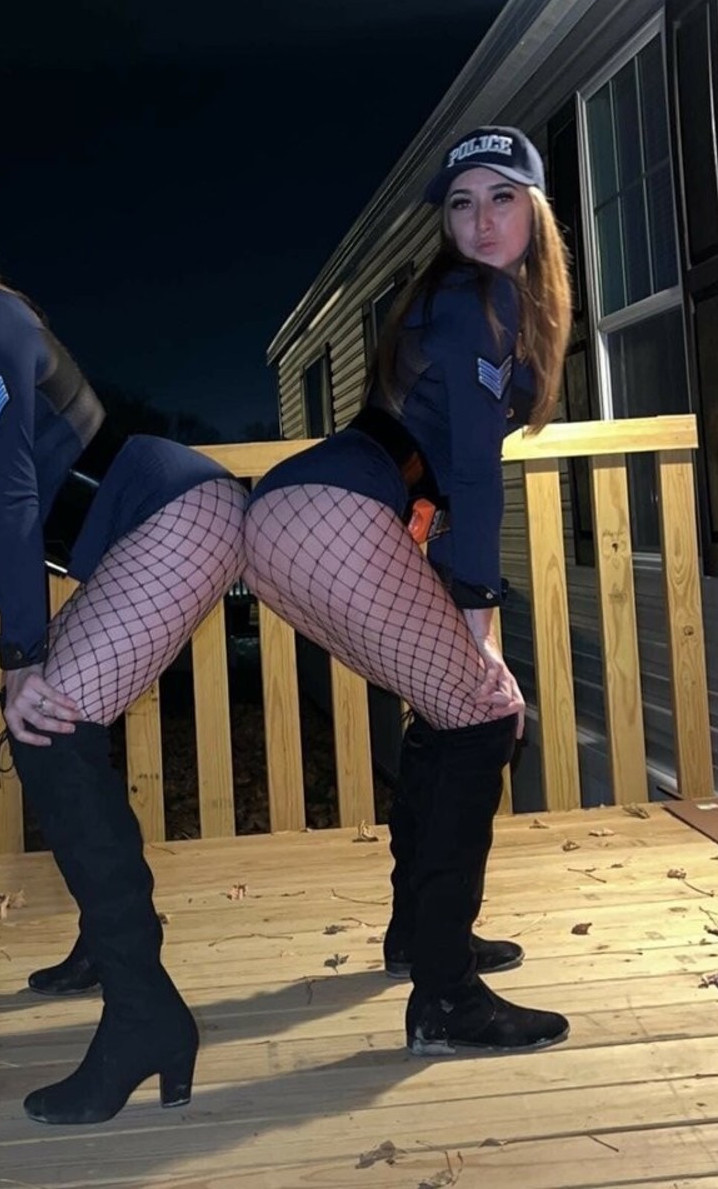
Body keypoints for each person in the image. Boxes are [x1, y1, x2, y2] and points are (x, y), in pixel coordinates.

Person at [0, 148, 247, 1122]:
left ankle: (145, 1012)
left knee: (45, 723)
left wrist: (25, 652)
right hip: (129, 537)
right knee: (59, 730)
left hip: (173, 510)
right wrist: (29, 634)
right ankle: (105, 944)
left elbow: (8, 488)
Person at [242, 126, 571, 1054]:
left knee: (449, 713)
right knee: (485, 716)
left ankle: (422, 939)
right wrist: (480, 618)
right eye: (462, 204)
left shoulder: (472, 303)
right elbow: (472, 474)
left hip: (301, 515)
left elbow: (444, 481)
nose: (480, 220)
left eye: (500, 198)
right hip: (340, 509)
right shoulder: (481, 298)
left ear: (535, 210)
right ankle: (445, 997)